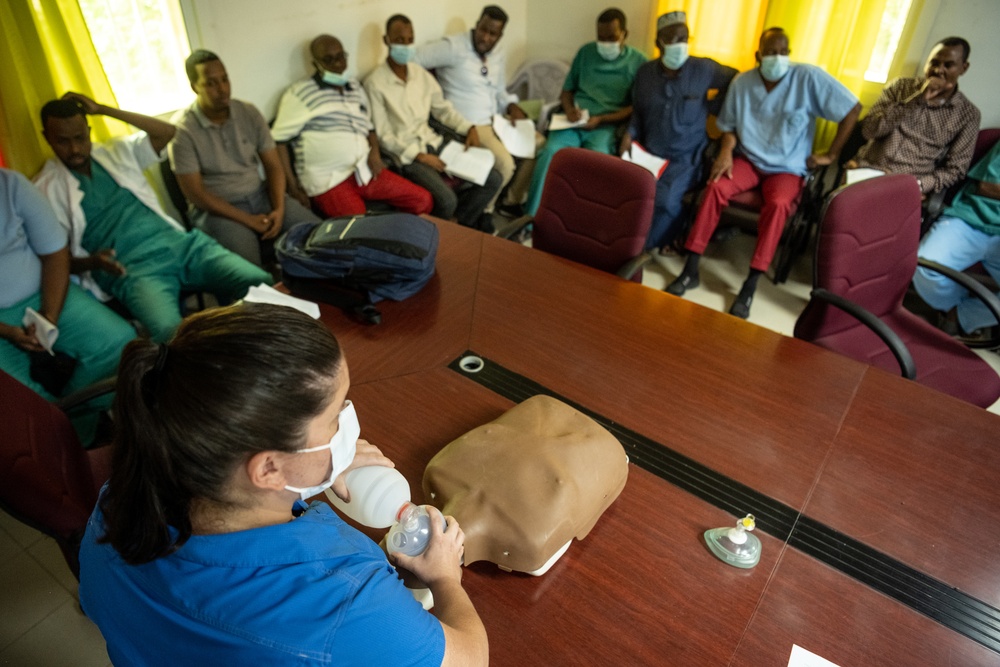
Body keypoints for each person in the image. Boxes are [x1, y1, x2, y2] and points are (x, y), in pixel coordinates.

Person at [79, 303, 489, 666]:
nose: (347, 421)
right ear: (268, 469)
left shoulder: (114, 507)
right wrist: (444, 577)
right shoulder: (340, 603)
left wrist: (303, 479)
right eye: (334, 417)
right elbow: (469, 658)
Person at [34, 94, 271, 344]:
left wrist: (103, 109)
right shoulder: (44, 190)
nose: (75, 149)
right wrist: (94, 262)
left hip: (182, 247)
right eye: (63, 141)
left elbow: (167, 132)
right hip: (134, 271)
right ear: (46, 137)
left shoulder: (117, 153)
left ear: (89, 130)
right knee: (170, 334)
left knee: (261, 284)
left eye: (80, 138)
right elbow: (55, 261)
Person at [667, 27, 861, 319]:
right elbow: (729, 126)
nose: (778, 58)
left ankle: (750, 283)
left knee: (780, 204)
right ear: (758, 55)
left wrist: (831, 155)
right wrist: (725, 151)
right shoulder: (743, 82)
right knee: (716, 186)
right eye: (771, 52)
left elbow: (852, 108)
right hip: (749, 160)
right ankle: (691, 267)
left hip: (788, 168)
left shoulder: (806, 78)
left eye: (784, 52)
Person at [0, 168, 135, 445]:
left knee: (119, 343)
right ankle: (68, 444)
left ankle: (76, 430)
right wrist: (6, 330)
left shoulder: (11, 184)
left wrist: (49, 314)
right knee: (18, 402)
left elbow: (55, 254)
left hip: (43, 292)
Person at [170, 50, 321, 266]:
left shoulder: (248, 112)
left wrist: (278, 208)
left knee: (322, 237)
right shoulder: (183, 131)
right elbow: (197, 195)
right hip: (220, 210)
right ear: (195, 87)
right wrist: (248, 220)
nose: (222, 89)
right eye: (211, 83)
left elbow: (273, 166)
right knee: (251, 275)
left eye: (224, 79)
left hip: (260, 195)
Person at [364, 15, 503, 232]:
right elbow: (383, 136)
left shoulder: (420, 75)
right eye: (399, 39)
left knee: (493, 178)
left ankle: (457, 227)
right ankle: (444, 232)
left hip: (434, 141)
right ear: (386, 40)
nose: (406, 45)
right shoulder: (375, 83)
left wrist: (469, 128)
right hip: (408, 155)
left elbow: (443, 109)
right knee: (446, 200)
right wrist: (419, 156)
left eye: (410, 40)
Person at [272, 35, 433, 218]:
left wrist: (374, 153)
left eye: (341, 57)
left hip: (363, 169)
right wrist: (293, 188)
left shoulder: (354, 87)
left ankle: (403, 238)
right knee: (360, 228)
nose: (338, 64)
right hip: (328, 180)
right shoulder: (299, 94)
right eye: (329, 59)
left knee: (422, 200)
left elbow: (369, 127)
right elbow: (278, 142)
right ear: (315, 62)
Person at [623, 11, 737, 254]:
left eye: (684, 38)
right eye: (672, 39)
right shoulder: (645, 73)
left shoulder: (704, 69)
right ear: (659, 43)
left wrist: (714, 107)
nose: (679, 45)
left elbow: (736, 79)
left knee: (665, 202)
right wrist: (628, 134)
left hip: (685, 158)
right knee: (630, 197)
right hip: (649, 153)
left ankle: (640, 250)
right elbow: (638, 112)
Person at [415, 5, 538, 212]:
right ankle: (485, 213)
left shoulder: (497, 53)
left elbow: (499, 89)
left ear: (500, 35)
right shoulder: (453, 47)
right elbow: (414, 60)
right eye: (483, 30)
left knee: (535, 145)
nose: (486, 38)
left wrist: (511, 104)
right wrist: (431, 93)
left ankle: (509, 203)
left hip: (497, 119)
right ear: (477, 24)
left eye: (493, 34)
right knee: (505, 165)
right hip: (471, 125)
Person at [524, 8, 646, 216]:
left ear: (625, 34)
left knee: (598, 164)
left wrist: (602, 119)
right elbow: (566, 91)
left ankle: (581, 221)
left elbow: (635, 107)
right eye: (601, 38)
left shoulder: (638, 62)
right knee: (551, 153)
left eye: (612, 38)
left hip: (605, 126)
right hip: (574, 122)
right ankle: (531, 217)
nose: (606, 43)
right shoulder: (586, 53)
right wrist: (570, 109)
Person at [848, 37, 980, 196]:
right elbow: (869, 131)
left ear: (963, 68)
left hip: (907, 184)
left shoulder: (967, 114)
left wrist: (917, 186)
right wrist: (916, 99)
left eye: (948, 65)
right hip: (866, 170)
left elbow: (955, 170)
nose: (938, 70)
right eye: (934, 63)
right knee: (844, 214)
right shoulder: (899, 87)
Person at [913, 140, 1000, 342]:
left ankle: (959, 317)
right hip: (971, 218)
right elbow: (988, 186)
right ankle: (954, 310)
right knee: (925, 265)